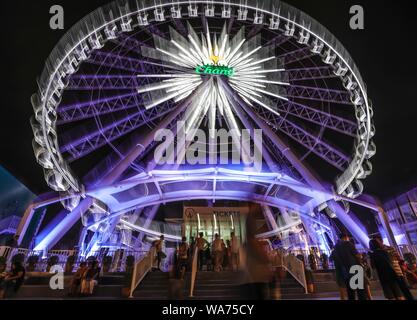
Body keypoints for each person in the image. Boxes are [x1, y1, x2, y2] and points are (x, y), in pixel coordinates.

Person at [330, 234, 367, 300]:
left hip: (345, 271)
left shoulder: (336, 247)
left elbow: (332, 258)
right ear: (346, 237)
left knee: (350, 291)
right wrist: (361, 256)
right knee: (360, 290)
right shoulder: (349, 244)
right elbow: (356, 255)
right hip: (355, 268)